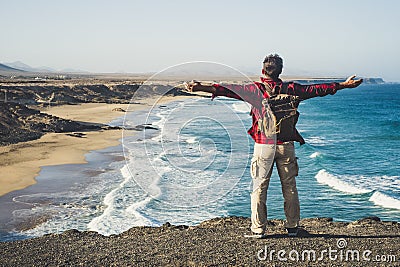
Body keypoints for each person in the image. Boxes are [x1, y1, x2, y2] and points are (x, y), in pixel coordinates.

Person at [186, 54, 363, 238]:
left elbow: (227, 90)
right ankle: (293, 227)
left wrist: (200, 87)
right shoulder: (292, 88)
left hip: (264, 145)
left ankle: (258, 229)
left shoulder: (254, 90)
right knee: (290, 187)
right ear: (280, 71)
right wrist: (343, 85)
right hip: (287, 145)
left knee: (259, 187)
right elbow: (317, 89)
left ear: (263, 70)